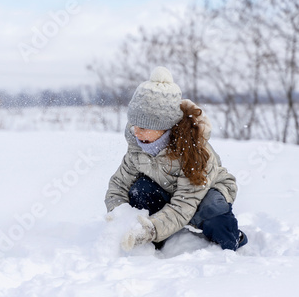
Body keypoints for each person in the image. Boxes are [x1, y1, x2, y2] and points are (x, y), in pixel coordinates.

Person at [105, 66, 248, 252]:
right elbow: (118, 186)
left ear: (164, 127)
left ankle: (233, 239)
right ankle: (159, 242)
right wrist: (119, 215)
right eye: (134, 124)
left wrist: (151, 229)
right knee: (140, 190)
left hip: (204, 192)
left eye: (144, 126)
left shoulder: (194, 152)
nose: (136, 131)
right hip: (169, 191)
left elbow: (184, 205)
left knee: (212, 212)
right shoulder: (138, 146)